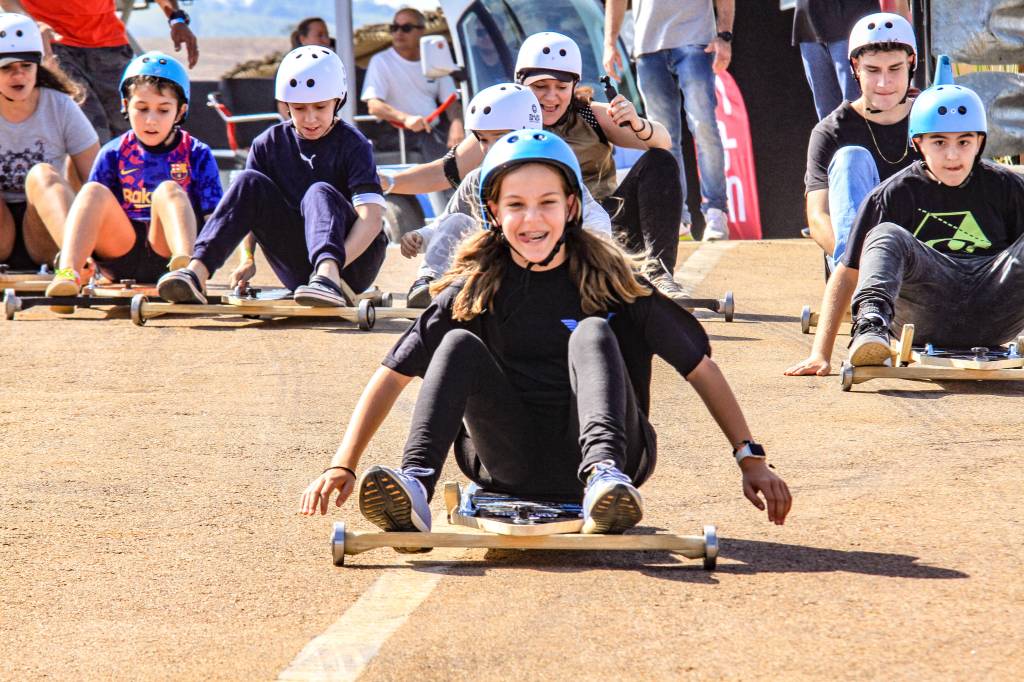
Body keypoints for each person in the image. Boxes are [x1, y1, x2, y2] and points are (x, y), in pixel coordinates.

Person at [299, 131, 792, 535]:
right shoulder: (475, 288)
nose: (531, 218)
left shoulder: (614, 282)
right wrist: (343, 464)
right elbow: (391, 373)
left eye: (547, 202)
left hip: (615, 454)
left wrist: (751, 459)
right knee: (454, 343)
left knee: (594, 333)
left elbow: (700, 367)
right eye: (516, 204)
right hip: (508, 461)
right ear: (493, 212)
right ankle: (415, 486)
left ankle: (603, 477)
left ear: (572, 206)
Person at [785, 72, 1024, 375]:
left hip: (995, 308)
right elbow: (848, 272)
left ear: (980, 143)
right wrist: (821, 353)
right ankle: (871, 328)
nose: (952, 155)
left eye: (964, 142)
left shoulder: (1005, 187)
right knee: (886, 234)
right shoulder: (893, 195)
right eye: (939, 142)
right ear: (918, 143)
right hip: (923, 311)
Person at [157, 45, 387, 308]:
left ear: (339, 100)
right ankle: (195, 274)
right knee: (247, 181)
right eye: (299, 108)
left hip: (353, 264)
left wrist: (329, 270)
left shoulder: (354, 144)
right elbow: (246, 208)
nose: (310, 119)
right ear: (286, 105)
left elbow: (372, 220)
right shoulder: (268, 143)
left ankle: (327, 276)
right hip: (300, 267)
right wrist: (248, 259)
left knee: (318, 191)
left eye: (320, 107)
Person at [397, 83, 611, 308]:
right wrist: (421, 236)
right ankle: (429, 285)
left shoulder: (557, 177)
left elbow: (597, 220)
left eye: (498, 138)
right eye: (482, 139)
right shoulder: (477, 179)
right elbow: (447, 224)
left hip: (549, 266)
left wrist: (586, 258)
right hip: (494, 271)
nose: (489, 148)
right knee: (458, 220)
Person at [515, 32, 689, 297]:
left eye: (561, 87)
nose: (551, 97)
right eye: (541, 87)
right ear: (522, 83)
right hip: (540, 230)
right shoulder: (503, 119)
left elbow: (663, 142)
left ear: (574, 86)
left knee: (660, 160)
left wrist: (637, 123)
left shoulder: (590, 114)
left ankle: (658, 273)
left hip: (606, 227)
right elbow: (447, 171)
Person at [45, 51, 221, 301]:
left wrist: (210, 260)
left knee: (168, 190)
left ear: (180, 112)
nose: (151, 120)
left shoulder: (197, 152)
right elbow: (93, 210)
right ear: (126, 106)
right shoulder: (113, 152)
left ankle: (187, 276)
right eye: (142, 108)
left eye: (163, 110)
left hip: (168, 253)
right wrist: (84, 257)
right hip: (120, 252)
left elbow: (215, 216)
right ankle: (68, 272)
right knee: (92, 190)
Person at [603, 0, 732, 241]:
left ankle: (715, 210)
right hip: (648, 46)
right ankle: (676, 216)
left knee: (703, 127)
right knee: (661, 138)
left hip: (695, 39)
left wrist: (724, 35)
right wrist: (610, 42)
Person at [802, 12, 920, 273]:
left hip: (927, 261)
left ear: (911, 62)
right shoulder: (831, 131)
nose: (884, 82)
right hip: (861, 266)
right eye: (873, 70)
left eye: (895, 69)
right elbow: (817, 217)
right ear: (855, 67)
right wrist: (857, 262)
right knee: (850, 158)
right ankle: (864, 288)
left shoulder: (934, 116)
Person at [0, 0, 200, 143]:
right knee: (90, 133)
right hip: (56, 46)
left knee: (133, 132)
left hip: (110, 48)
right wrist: (32, 26)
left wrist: (176, 19)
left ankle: (134, 197)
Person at [0, 13, 98, 270]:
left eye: (26, 66)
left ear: (38, 67)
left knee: (42, 174)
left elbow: (97, 183)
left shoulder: (60, 106)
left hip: (47, 230)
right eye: (7, 68)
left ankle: (73, 267)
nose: (18, 75)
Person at [360, 6, 464, 163]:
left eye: (406, 28)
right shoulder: (380, 61)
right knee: (437, 149)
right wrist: (407, 119)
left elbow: (451, 102)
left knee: (464, 146)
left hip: (431, 131)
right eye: (394, 28)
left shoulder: (434, 60)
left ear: (421, 31)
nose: (399, 33)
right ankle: (448, 185)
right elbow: (374, 106)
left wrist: (457, 125)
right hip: (395, 134)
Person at [791, 1, 911, 121]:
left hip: (854, 23)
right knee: (827, 120)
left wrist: (905, 35)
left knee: (859, 109)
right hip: (809, 24)